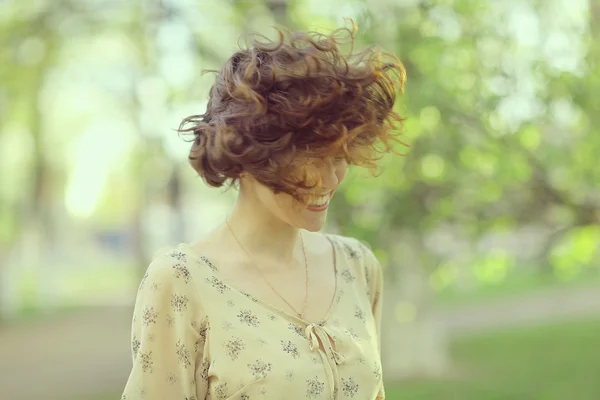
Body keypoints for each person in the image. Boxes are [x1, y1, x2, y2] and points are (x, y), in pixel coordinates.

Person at [122, 20, 406, 400]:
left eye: (339, 156)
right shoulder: (181, 281)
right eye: (309, 159)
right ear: (250, 156)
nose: (330, 179)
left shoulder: (357, 266)